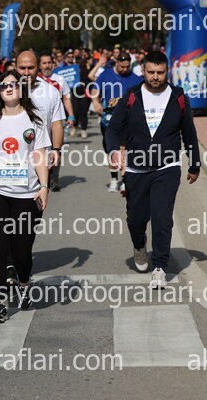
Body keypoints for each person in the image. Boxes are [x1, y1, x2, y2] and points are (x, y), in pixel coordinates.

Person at [106, 51, 201, 288]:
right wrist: (114, 150)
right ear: (143, 70)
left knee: (162, 217)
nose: (155, 77)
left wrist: (194, 163)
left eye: (160, 72)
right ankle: (139, 245)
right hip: (136, 169)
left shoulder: (178, 97)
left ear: (167, 71)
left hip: (167, 166)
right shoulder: (131, 96)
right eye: (151, 72)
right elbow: (113, 128)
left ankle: (159, 266)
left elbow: (189, 132)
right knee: (136, 219)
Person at [0, 71, 50, 322]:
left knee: (21, 251)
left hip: (27, 194)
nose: (9, 88)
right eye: (4, 85)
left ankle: (24, 283)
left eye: (13, 85)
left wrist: (44, 186)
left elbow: (39, 155)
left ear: (21, 89)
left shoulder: (35, 119)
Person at [90, 52, 144, 193]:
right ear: (117, 63)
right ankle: (114, 179)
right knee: (111, 150)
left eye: (127, 67)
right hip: (108, 120)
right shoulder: (106, 75)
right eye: (122, 67)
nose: (125, 69)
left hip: (127, 122)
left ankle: (125, 179)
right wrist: (95, 102)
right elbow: (95, 89)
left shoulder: (135, 78)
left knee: (124, 150)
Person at [16, 51, 65, 194]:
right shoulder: (5, 91)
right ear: (15, 67)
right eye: (22, 68)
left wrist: (56, 149)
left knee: (37, 202)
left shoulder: (51, 92)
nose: (26, 73)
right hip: (10, 158)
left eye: (31, 68)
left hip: (40, 158)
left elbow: (56, 124)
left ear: (38, 67)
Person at [38, 52, 75, 138]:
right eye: (44, 63)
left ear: (53, 64)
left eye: (49, 62)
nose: (47, 65)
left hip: (56, 116)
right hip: (40, 117)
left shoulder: (60, 79)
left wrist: (71, 116)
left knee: (56, 144)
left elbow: (66, 98)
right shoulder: (35, 79)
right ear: (39, 65)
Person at [72, 57, 92, 139]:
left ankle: (83, 129)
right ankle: (75, 126)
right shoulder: (73, 72)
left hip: (84, 94)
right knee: (75, 111)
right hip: (75, 93)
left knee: (84, 112)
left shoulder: (87, 71)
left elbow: (90, 81)